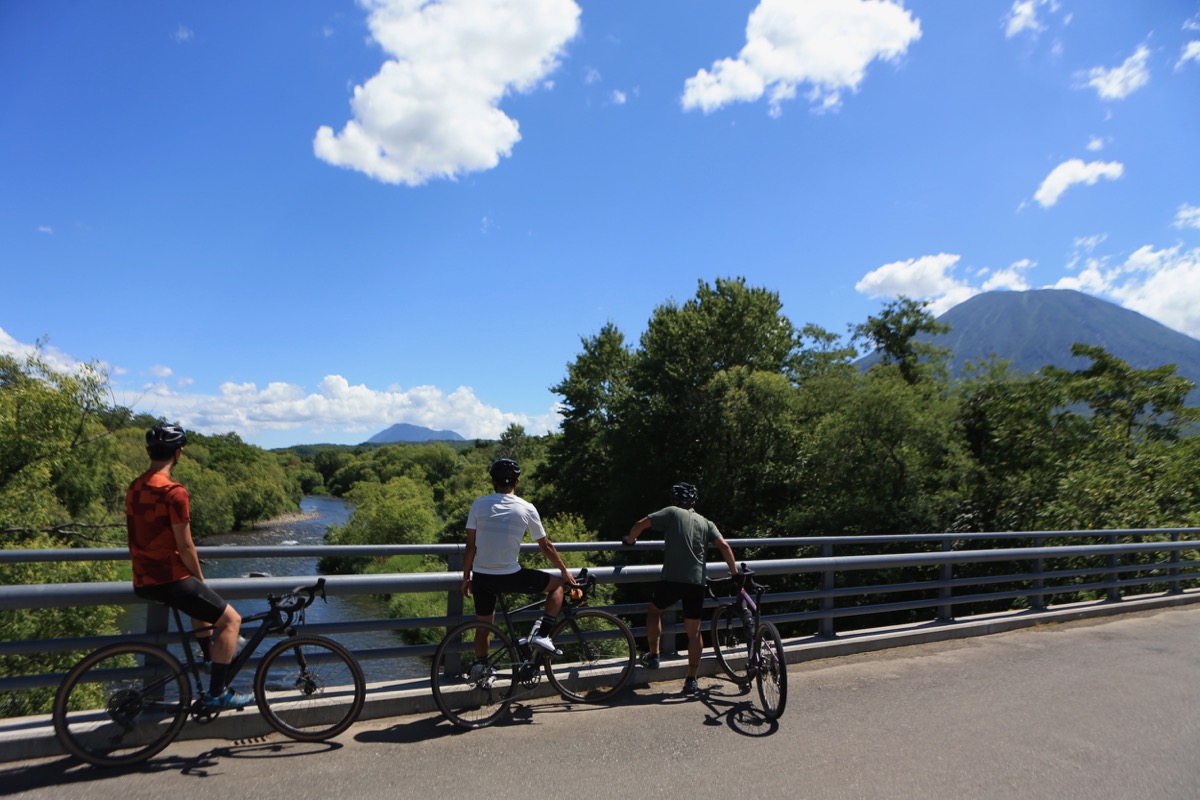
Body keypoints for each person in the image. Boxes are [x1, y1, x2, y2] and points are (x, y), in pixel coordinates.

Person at [126, 424, 251, 710]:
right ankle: (218, 693)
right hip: (168, 577)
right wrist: (199, 577)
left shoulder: (135, 486)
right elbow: (185, 545)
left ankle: (209, 658)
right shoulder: (174, 492)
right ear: (179, 453)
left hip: (142, 577)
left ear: (148, 452)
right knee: (232, 621)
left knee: (201, 606)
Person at [623, 482, 737, 695]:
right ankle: (692, 679)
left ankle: (654, 655)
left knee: (655, 610)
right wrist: (735, 574)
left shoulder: (671, 512)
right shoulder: (706, 522)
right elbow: (724, 546)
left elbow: (641, 524)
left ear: (675, 500)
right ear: (693, 502)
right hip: (696, 582)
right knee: (694, 632)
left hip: (672, 579)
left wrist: (630, 541)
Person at [461, 458, 576, 662]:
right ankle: (542, 635)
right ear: (517, 482)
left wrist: (466, 577)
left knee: (483, 626)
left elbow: (471, 546)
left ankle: (481, 668)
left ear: (492, 482)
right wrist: (564, 570)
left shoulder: (478, 504)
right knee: (557, 586)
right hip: (511, 576)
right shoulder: (526, 507)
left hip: (482, 576)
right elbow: (545, 546)